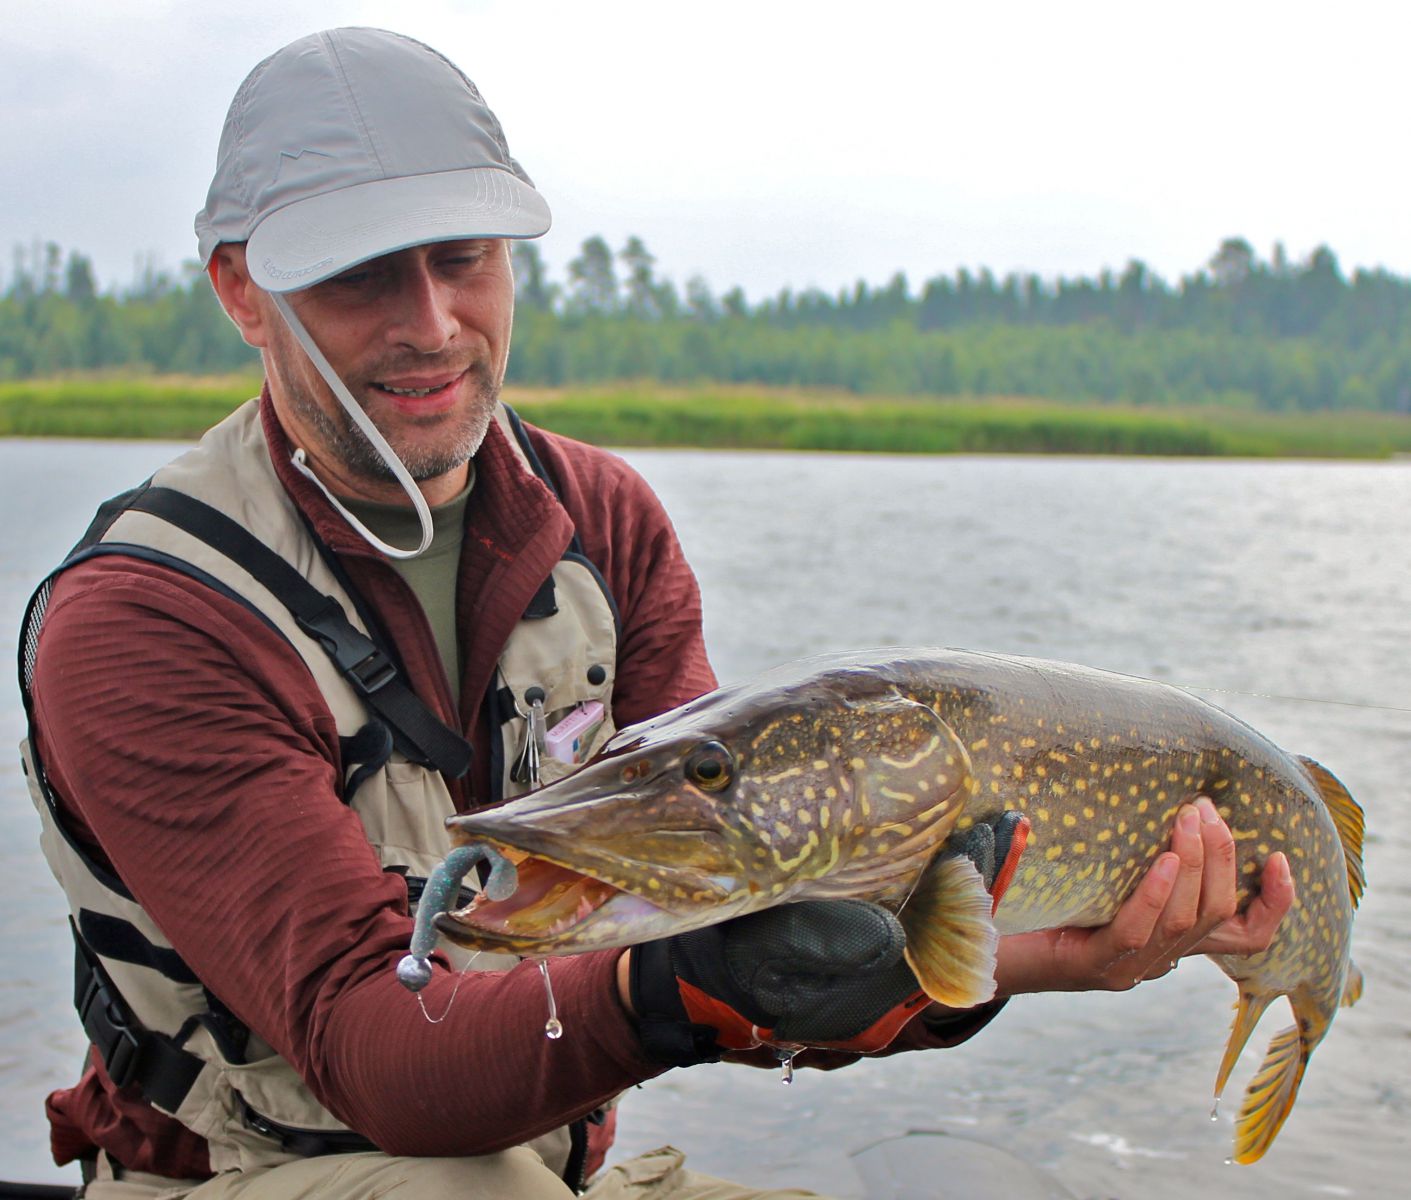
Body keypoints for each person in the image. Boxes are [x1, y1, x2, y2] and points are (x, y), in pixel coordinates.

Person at [18, 26, 1295, 1200]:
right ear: (243, 290)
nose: (431, 324)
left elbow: (762, 945)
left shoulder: (601, 520)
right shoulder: (146, 621)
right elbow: (377, 1051)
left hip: (543, 1170)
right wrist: (680, 986)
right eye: (358, 277)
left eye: (462, 259)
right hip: (255, 1175)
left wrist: (1038, 957)